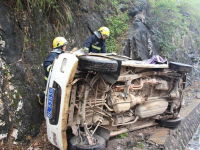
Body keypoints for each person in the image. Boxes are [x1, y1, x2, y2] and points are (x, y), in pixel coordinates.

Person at [37, 37, 68, 105]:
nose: (65, 47)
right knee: (49, 92)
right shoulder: (53, 55)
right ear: (59, 46)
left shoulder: (60, 54)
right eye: (64, 46)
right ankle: (41, 97)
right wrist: (53, 67)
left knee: (53, 92)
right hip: (49, 78)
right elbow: (46, 65)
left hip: (54, 78)